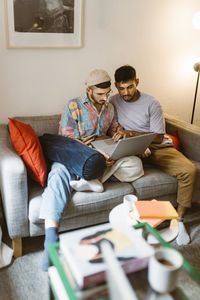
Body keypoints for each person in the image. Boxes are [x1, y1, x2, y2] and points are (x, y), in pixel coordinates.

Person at [40, 69, 144, 271]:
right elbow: (66, 139)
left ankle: (90, 179)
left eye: (107, 93)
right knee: (58, 173)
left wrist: (119, 134)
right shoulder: (73, 106)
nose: (105, 98)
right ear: (88, 90)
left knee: (135, 165)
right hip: (76, 153)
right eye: (100, 94)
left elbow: (113, 130)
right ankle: (50, 240)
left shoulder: (110, 108)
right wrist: (91, 152)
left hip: (101, 156)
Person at [110, 65, 198, 246]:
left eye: (130, 87)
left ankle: (179, 221)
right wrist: (125, 136)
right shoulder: (113, 101)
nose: (126, 92)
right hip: (132, 149)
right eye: (121, 88)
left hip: (157, 147)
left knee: (189, 170)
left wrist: (132, 134)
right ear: (116, 86)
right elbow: (111, 126)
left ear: (137, 82)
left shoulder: (152, 103)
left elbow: (158, 137)